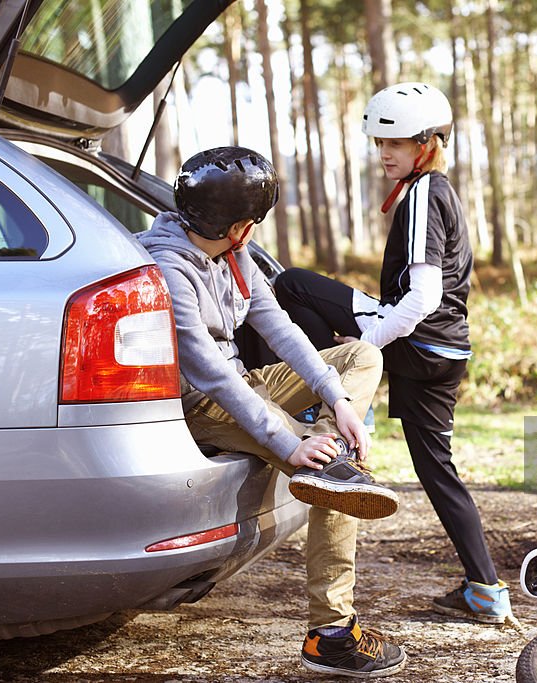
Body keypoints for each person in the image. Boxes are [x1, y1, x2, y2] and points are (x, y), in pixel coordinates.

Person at [138, 146, 406, 678]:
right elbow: (211, 375)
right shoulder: (167, 269)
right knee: (331, 474)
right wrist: (290, 444)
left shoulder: (232, 255)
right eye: (255, 222)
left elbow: (279, 328)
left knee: (361, 355)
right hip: (204, 402)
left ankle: (333, 456)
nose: (255, 230)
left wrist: (339, 403)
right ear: (239, 225)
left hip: (245, 383)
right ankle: (331, 634)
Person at [273, 82, 514, 625]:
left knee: (292, 285)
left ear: (427, 144)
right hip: (446, 351)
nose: (384, 153)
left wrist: (366, 343)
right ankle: (486, 591)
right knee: (437, 470)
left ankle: (322, 414)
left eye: (397, 144)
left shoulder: (425, 192)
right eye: (380, 143)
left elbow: (424, 296)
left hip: (418, 340)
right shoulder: (434, 190)